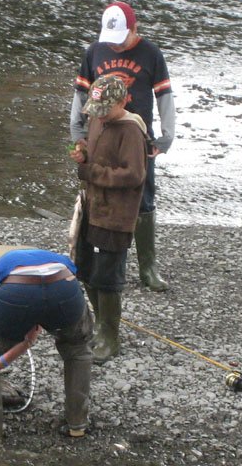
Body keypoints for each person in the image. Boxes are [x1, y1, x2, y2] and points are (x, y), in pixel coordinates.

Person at [70, 1, 175, 293]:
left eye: (121, 40)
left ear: (134, 28)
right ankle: (103, 263)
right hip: (101, 134)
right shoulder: (94, 52)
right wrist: (78, 132)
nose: (115, 47)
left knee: (143, 197)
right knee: (100, 194)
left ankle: (147, 266)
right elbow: (81, 94)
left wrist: (166, 137)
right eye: (111, 41)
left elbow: (165, 96)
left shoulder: (151, 53)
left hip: (138, 138)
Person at [0, 242, 94, 452]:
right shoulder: (33, 253)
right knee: (78, 347)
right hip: (65, 284)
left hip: (18, 290)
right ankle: (77, 423)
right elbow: (33, 330)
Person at [69, 74, 147, 363]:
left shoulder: (131, 130)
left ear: (122, 101)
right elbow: (98, 150)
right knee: (86, 270)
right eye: (96, 110)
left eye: (104, 110)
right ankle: (101, 326)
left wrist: (92, 172)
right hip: (93, 208)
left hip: (116, 216)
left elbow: (134, 175)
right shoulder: (99, 120)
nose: (99, 116)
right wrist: (84, 153)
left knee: (108, 277)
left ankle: (110, 337)